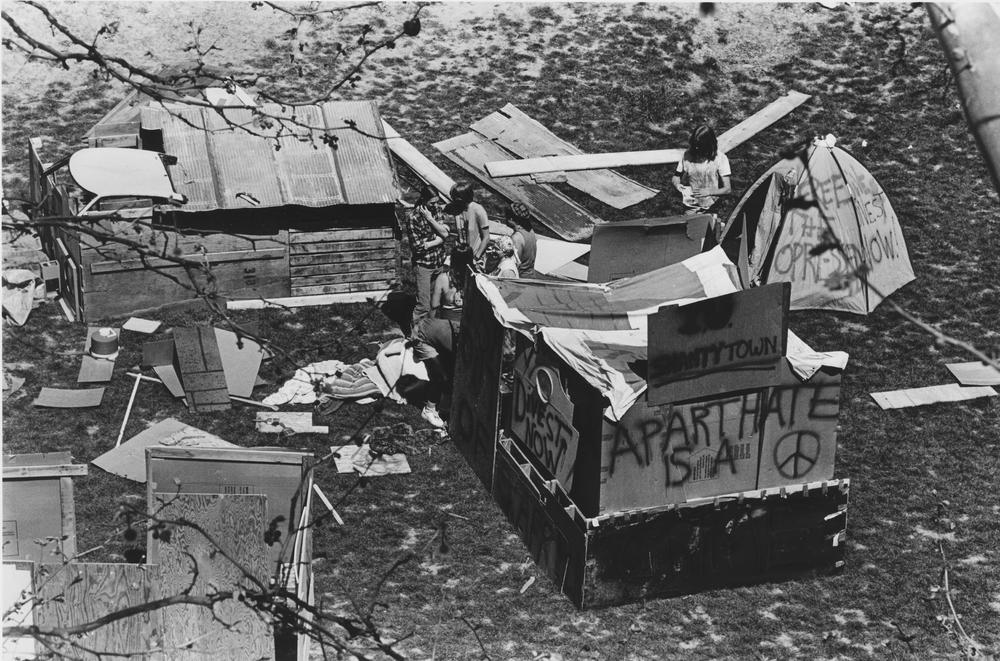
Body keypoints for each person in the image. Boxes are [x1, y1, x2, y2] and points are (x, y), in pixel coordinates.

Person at [399, 186, 449, 326]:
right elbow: (418, 247)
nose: (435, 205)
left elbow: (445, 233)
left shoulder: (436, 210)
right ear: (424, 200)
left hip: (438, 262)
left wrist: (430, 240)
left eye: (437, 202)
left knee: (435, 302)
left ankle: (428, 330)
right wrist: (439, 239)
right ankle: (415, 336)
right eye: (432, 203)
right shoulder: (413, 218)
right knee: (423, 305)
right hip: (424, 266)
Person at [671, 124, 732, 222]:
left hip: (711, 206)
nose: (696, 150)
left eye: (699, 147)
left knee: (708, 233)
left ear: (708, 145)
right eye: (695, 146)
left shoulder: (720, 159)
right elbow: (676, 176)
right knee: (690, 232)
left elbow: (727, 189)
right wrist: (677, 184)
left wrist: (709, 192)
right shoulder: (687, 155)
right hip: (691, 206)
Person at [449, 182, 490, 264]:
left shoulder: (478, 210)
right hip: (461, 253)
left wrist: (477, 257)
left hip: (474, 256)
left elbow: (486, 237)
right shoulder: (458, 209)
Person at [431, 245, 473, 322]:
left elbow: (434, 305)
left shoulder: (443, 278)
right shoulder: (476, 279)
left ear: (452, 259)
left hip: (448, 324)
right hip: (468, 326)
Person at [505, 202, 537, 279]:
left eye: (507, 217)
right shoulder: (531, 231)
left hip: (522, 279)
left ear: (511, 219)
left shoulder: (517, 238)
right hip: (531, 276)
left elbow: (514, 265)